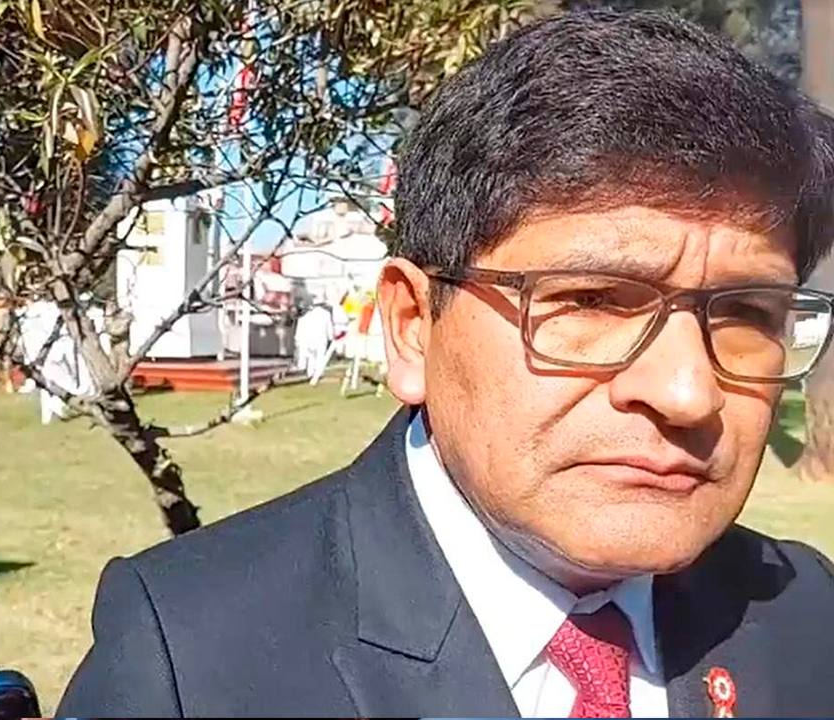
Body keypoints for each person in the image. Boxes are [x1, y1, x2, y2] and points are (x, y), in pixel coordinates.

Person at [59, 10, 834, 718]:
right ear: (411, 328)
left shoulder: (805, 613)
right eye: (593, 301)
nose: (687, 391)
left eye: (746, 314)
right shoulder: (189, 662)